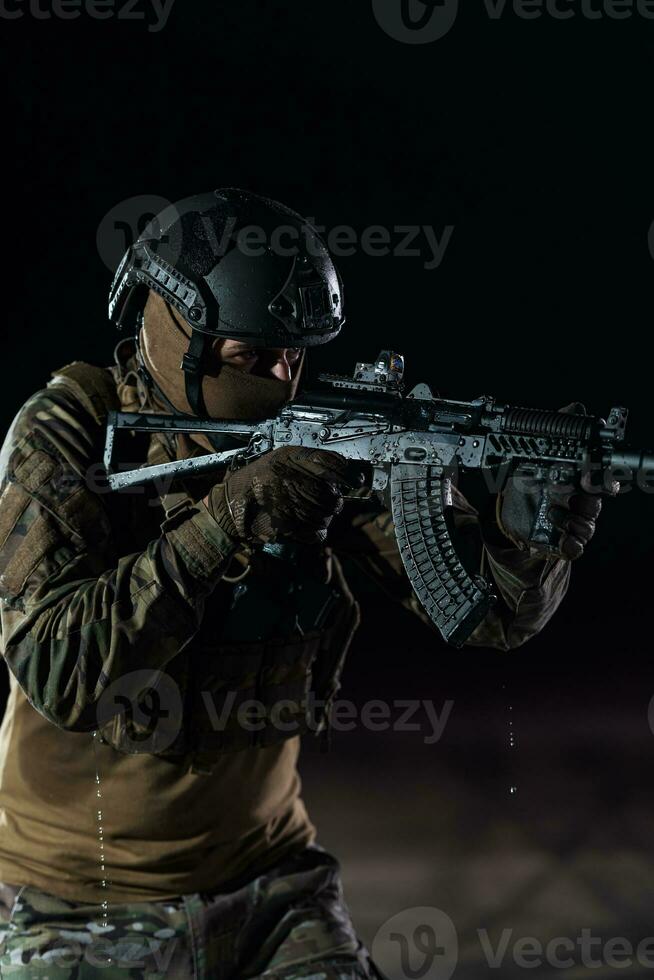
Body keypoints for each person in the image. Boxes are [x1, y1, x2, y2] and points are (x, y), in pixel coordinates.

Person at [0, 189, 600, 978]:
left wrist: (527, 540)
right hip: (83, 896)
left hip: (272, 883)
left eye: (296, 353)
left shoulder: (317, 438)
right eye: (255, 355)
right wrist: (226, 523)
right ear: (178, 334)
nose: (284, 378)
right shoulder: (67, 434)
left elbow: (487, 616)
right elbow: (58, 668)